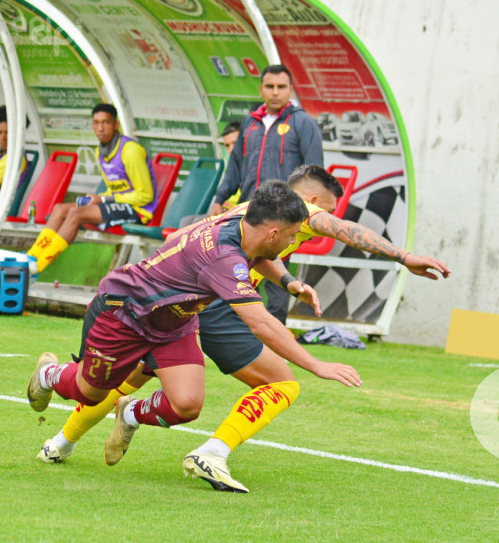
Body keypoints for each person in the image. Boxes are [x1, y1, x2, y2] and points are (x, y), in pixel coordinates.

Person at [37, 166, 451, 494]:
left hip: (181, 313)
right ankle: (207, 449)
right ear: (307, 204)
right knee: (283, 383)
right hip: (161, 309)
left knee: (154, 391)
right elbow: (266, 312)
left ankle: (66, 439)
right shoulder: (274, 230)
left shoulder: (256, 217)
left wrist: (288, 282)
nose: (326, 219)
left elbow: (259, 255)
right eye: (325, 210)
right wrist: (403, 256)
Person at [210, 64, 324, 324]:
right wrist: (219, 200)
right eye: (270, 87)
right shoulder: (250, 123)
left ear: (290, 90)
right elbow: (235, 167)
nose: (275, 92)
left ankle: (276, 340)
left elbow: (314, 174)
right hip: (249, 214)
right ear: (261, 89)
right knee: (236, 271)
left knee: (277, 278)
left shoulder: (304, 123)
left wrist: (301, 214)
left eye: (281, 87)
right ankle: (232, 333)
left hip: (284, 216)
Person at [25, 103, 157, 273]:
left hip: (137, 211)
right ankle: (31, 256)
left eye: (106, 122)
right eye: (96, 122)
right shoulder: (100, 151)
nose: (100, 128)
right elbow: (115, 187)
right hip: (118, 204)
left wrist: (103, 199)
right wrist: (98, 198)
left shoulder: (130, 151)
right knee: (59, 209)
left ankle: (39, 265)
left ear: (116, 125)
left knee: (76, 213)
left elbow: (145, 195)